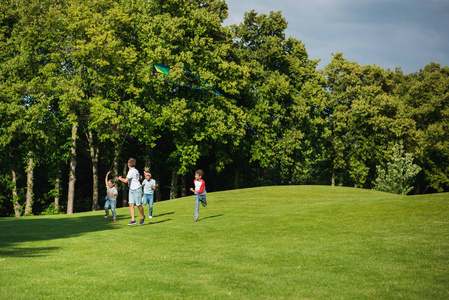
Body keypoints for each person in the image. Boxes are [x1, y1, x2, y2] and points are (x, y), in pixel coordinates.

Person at [118, 158, 145, 226]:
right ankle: (133, 220)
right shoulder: (135, 170)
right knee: (131, 204)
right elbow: (140, 178)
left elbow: (126, 181)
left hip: (137, 189)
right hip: (131, 189)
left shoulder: (132, 171)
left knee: (138, 205)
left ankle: (142, 216)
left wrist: (120, 178)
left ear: (128, 164)